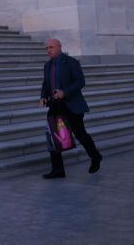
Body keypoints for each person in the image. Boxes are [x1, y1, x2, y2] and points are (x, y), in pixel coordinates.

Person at [40, 38, 102, 178]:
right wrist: (43, 97)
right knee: (53, 136)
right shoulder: (47, 65)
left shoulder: (71, 62)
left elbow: (80, 81)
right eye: (47, 48)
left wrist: (64, 92)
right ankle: (58, 170)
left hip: (71, 105)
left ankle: (95, 156)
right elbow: (45, 84)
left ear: (59, 47)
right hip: (55, 105)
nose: (49, 50)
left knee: (80, 134)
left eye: (51, 47)